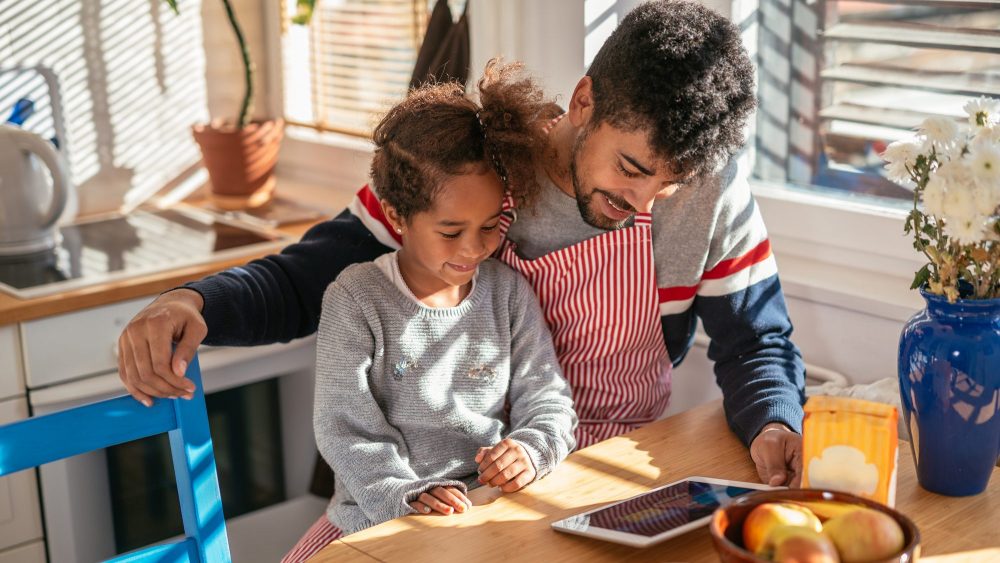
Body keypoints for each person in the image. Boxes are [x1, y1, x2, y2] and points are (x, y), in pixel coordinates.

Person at [118, 0, 805, 493]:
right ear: (585, 100)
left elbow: (757, 344)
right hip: (467, 478)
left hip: (607, 478)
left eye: (671, 183)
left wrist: (775, 421)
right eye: (630, 169)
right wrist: (199, 300)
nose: (643, 207)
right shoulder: (476, 167)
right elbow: (307, 278)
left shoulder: (710, 191)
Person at [280, 64, 577, 561]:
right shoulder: (355, 299)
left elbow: (548, 401)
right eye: (450, 231)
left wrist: (529, 449)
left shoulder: (507, 293)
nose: (475, 248)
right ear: (396, 216)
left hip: (483, 513)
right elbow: (345, 429)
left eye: (489, 225)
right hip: (374, 516)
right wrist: (404, 496)